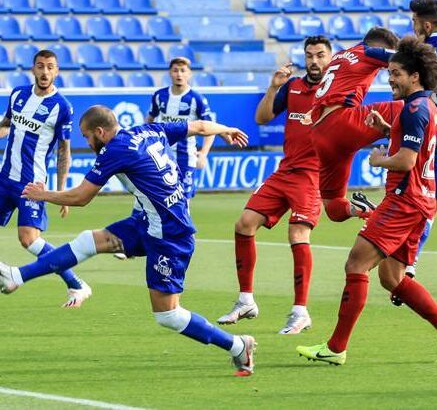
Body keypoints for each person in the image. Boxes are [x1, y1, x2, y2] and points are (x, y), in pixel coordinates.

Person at [0, 105, 257, 376]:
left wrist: (44, 195)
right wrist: (226, 129)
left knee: (168, 315)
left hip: (169, 235)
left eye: (87, 137)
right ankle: (17, 276)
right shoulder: (149, 130)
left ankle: (238, 346)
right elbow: (201, 127)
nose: (88, 143)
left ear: (100, 131)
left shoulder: (115, 150)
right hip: (148, 222)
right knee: (90, 240)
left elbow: (81, 197)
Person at [296, 36, 437, 365]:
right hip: (420, 202)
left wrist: (379, 160)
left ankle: (336, 348)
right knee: (391, 278)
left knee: (356, 265)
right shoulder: (426, 107)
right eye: (389, 72)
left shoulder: (412, 108)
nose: (389, 78)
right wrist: (387, 129)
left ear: (415, 76)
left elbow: (406, 160)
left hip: (403, 200)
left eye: (396, 74)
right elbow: (414, 141)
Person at [217, 36, 332, 334]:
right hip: (285, 171)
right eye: (309, 56)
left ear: (330, 58)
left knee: (297, 232)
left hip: (312, 174)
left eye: (320, 55)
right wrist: (274, 87)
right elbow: (262, 117)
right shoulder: (293, 87)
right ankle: (245, 300)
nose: (314, 61)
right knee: (244, 224)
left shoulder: (337, 89)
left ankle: (300, 311)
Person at [0, 49, 90, 308]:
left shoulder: (62, 107)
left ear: (57, 71)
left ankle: (77, 284)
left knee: (28, 239)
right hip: (4, 176)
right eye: (40, 66)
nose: (45, 72)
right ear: (33, 69)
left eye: (50, 67)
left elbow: (64, 151)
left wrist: (61, 192)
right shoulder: (17, 94)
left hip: (32, 184)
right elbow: (7, 124)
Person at [114, 56, 215, 260]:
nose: (179, 74)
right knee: (144, 194)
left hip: (186, 158)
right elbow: (149, 121)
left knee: (182, 199)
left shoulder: (197, 99)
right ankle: (131, 242)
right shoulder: (160, 96)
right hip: (160, 156)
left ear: (189, 74)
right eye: (175, 70)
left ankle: (184, 240)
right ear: (170, 72)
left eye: (183, 70)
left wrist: (203, 153)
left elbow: (209, 128)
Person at [307, 27, 404, 222]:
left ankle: (360, 209)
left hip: (319, 133)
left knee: (333, 204)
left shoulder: (339, 55)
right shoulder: (368, 51)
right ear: (381, 47)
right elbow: (406, 58)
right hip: (342, 121)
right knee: (414, 106)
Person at [394, 0, 437, 283]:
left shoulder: (423, 55)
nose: (414, 28)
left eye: (415, 23)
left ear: (426, 24)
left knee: (429, 206)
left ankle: (410, 261)